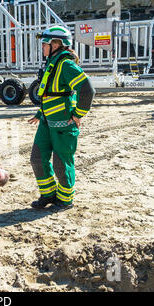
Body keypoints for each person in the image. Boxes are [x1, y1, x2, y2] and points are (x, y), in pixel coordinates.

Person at [28, 25, 95, 212]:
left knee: (60, 163)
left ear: (57, 44)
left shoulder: (66, 65)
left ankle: (65, 200)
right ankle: (48, 194)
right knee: (37, 158)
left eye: (45, 44)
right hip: (47, 123)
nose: (42, 48)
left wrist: (78, 114)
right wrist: (40, 114)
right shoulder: (52, 63)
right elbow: (50, 94)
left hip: (64, 125)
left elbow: (88, 90)